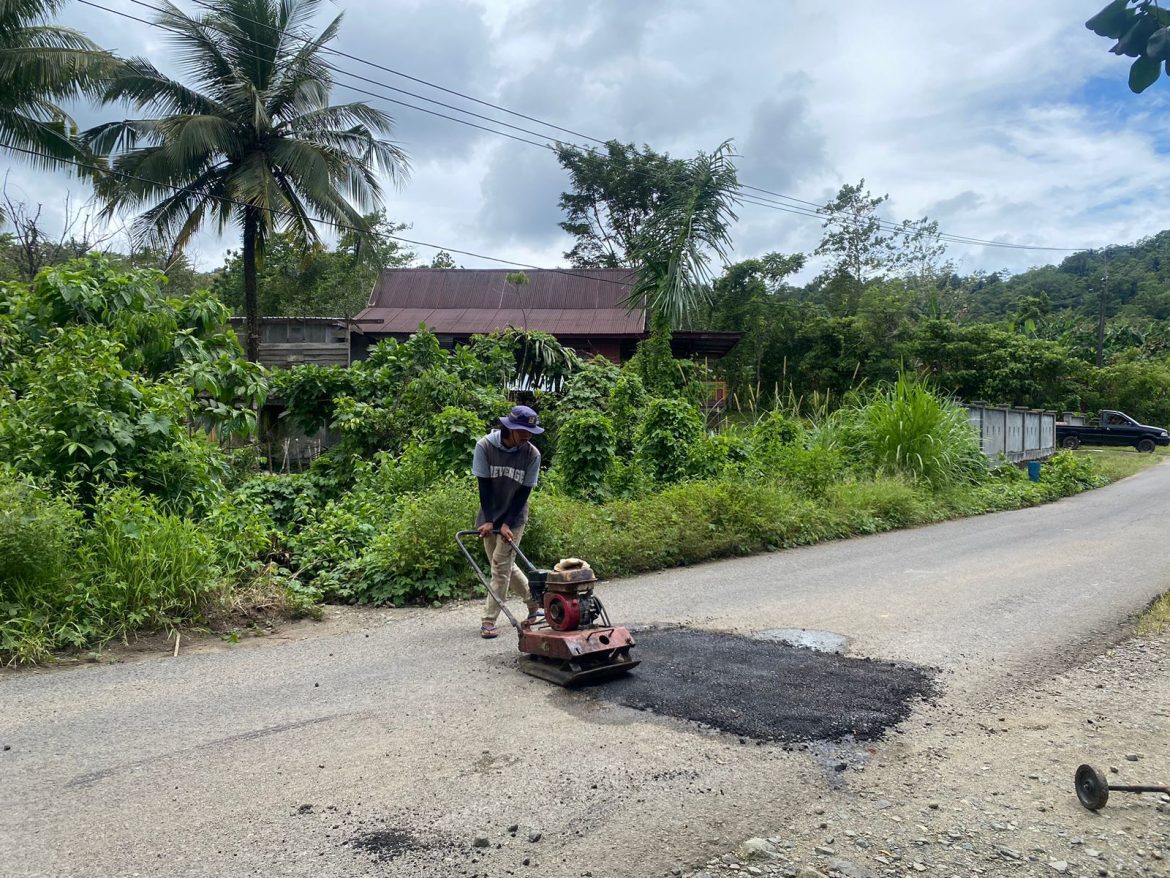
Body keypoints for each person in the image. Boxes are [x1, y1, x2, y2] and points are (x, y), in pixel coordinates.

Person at [473, 404, 543, 639]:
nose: (526, 438)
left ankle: (489, 619)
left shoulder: (532, 454)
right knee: (503, 564)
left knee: (500, 566)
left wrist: (506, 523)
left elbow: (524, 492)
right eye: (522, 432)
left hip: (515, 514)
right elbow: (484, 487)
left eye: (530, 433)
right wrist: (490, 520)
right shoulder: (484, 446)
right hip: (490, 511)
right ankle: (534, 603)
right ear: (509, 428)